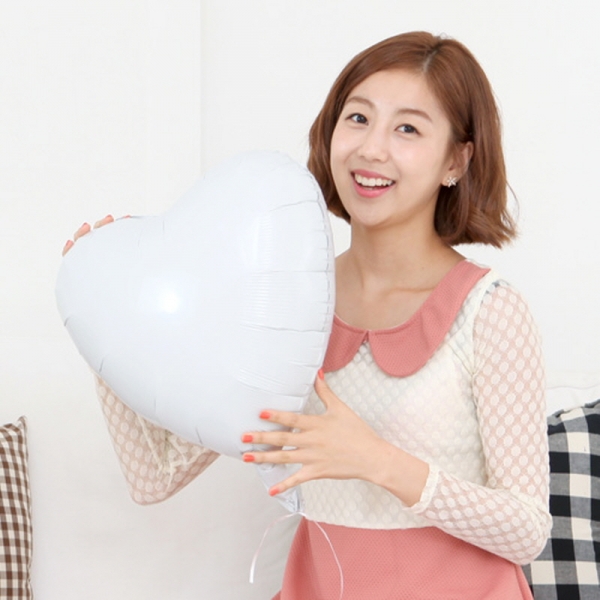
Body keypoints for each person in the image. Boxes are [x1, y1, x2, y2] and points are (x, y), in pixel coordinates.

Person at [64, 31, 551, 599]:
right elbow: (155, 476)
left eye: (408, 129)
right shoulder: (279, 300)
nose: (372, 149)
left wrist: (377, 461)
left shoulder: (489, 310)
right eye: (358, 118)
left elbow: (527, 530)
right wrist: (106, 312)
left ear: (456, 160)